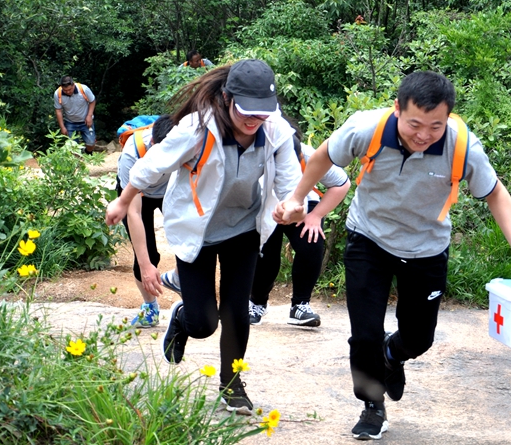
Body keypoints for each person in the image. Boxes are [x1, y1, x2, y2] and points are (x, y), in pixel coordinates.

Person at [274, 71, 511, 441]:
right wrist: (297, 198)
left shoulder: (463, 146)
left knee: (419, 338)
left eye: (436, 126)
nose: (424, 134)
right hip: (370, 239)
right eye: (415, 123)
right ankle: (371, 406)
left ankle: (393, 353)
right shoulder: (366, 128)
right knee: (363, 334)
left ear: (448, 118)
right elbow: (321, 157)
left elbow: (496, 194)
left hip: (426, 248)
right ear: (398, 108)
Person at [105, 59, 300, 415]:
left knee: (236, 312)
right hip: (197, 229)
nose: (252, 120)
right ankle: (183, 319)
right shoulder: (198, 129)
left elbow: (291, 186)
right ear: (227, 98)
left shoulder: (276, 131)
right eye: (245, 111)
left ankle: (232, 383)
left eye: (261, 112)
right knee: (204, 324)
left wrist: (293, 208)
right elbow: (150, 166)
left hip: (242, 228)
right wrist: (123, 199)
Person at [248, 125, 350, 328]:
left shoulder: (308, 154)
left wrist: (316, 215)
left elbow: (341, 184)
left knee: (311, 240)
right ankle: (257, 303)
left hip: (302, 203)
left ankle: (300, 305)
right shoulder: (253, 152)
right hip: (263, 203)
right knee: (265, 253)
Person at [112, 114, 175, 328]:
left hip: (170, 190)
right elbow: (134, 214)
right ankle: (150, 307)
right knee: (148, 254)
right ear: (153, 144)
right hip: (138, 193)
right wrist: (146, 265)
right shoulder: (132, 154)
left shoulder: (188, 144)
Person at [54, 76, 97, 153]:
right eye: (65, 90)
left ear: (73, 85)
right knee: (72, 146)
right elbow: (58, 110)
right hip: (70, 122)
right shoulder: (58, 94)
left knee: (91, 142)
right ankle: (77, 161)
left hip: (85, 120)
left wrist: (89, 116)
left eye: (70, 89)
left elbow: (92, 101)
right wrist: (62, 127)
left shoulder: (84, 89)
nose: (68, 92)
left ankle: (87, 152)